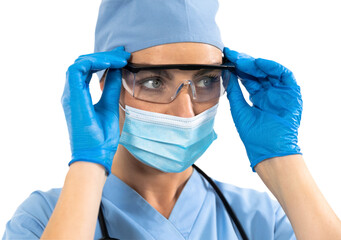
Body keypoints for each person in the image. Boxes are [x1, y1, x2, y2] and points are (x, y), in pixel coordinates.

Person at [3, 0, 341, 239]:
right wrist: (88, 166)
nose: (186, 112)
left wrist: (283, 159)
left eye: (207, 81)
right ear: (108, 85)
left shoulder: (261, 220)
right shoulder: (43, 218)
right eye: (154, 81)